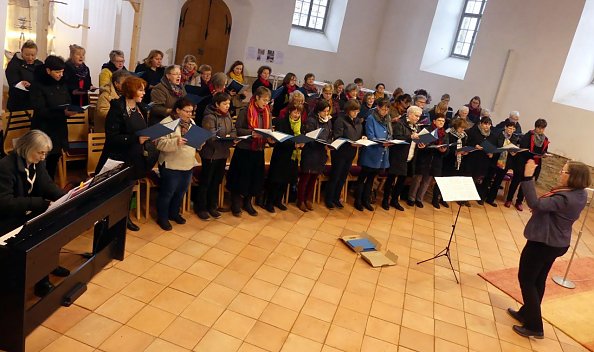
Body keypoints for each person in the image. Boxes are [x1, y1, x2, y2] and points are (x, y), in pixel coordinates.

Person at [508, 159, 590, 339]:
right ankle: (526, 313)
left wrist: (528, 176)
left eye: (564, 171)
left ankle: (535, 327)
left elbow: (535, 204)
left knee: (527, 280)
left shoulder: (564, 198)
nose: (561, 172)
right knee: (538, 280)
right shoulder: (580, 193)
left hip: (544, 243)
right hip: (558, 243)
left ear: (573, 177)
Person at [0, 130, 69, 297]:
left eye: (45, 153)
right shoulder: (5, 167)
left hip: (27, 210)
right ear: (27, 148)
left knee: (54, 226)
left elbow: (47, 185)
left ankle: (49, 265)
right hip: (8, 217)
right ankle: (41, 281)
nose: (43, 157)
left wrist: (65, 198)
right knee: (39, 235)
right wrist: (39, 203)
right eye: (40, 152)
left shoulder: (37, 163)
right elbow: (5, 203)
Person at [95, 76, 150, 231]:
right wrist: (135, 139)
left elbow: (141, 130)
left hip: (135, 157)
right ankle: (108, 219)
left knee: (128, 190)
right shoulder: (117, 108)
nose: (144, 93)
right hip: (118, 158)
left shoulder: (141, 108)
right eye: (140, 90)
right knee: (113, 192)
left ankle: (124, 218)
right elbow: (112, 138)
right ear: (131, 91)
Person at [227, 86, 274, 217]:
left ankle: (248, 203)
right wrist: (252, 133)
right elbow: (238, 129)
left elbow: (269, 129)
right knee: (241, 177)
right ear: (257, 97)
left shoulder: (267, 112)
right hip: (245, 149)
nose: (266, 103)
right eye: (264, 100)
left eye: (268, 101)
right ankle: (236, 203)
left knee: (254, 178)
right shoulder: (246, 110)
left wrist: (270, 137)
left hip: (258, 149)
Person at [29, 55, 76, 179]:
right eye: (57, 72)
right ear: (48, 70)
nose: (60, 74)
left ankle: (49, 186)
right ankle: (38, 190)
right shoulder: (38, 85)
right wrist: (62, 112)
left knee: (53, 160)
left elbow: (67, 99)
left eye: (62, 71)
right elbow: (40, 109)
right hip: (43, 128)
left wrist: (70, 109)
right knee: (40, 162)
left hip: (58, 129)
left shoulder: (62, 83)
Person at [155, 98, 198, 230]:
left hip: (187, 163)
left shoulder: (191, 122)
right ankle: (162, 217)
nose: (189, 114)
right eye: (187, 111)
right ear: (178, 110)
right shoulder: (166, 123)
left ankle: (174, 213)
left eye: (191, 112)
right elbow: (159, 143)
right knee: (168, 193)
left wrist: (200, 141)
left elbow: (194, 140)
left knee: (181, 192)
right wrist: (175, 142)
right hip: (171, 164)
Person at [196, 92, 237, 221]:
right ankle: (201, 208)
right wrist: (228, 139)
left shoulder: (228, 115)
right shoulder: (209, 117)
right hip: (211, 154)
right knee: (206, 181)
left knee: (216, 181)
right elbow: (211, 137)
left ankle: (212, 206)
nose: (227, 106)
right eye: (224, 104)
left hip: (223, 153)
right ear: (217, 104)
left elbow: (233, 130)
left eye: (228, 103)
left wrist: (232, 138)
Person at [264, 103, 304, 213]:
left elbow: (301, 137)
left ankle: (278, 201)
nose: (297, 115)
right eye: (295, 112)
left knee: (285, 180)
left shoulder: (300, 124)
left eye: (299, 113)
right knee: (276, 180)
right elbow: (280, 140)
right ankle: (269, 202)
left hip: (292, 157)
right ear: (290, 111)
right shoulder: (281, 122)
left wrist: (302, 143)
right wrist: (294, 144)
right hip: (281, 155)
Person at [325, 99, 364, 209]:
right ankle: (329, 199)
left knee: (343, 177)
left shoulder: (358, 121)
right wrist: (349, 142)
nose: (356, 113)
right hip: (340, 152)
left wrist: (362, 138)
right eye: (354, 111)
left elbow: (358, 134)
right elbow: (338, 136)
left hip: (351, 153)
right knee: (335, 176)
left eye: (357, 111)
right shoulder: (340, 120)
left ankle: (336, 198)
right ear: (348, 110)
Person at [382, 105, 422, 211]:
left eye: (419, 116)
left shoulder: (417, 127)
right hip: (398, 156)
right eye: (416, 116)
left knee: (402, 180)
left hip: (410, 156)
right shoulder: (400, 123)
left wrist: (421, 143)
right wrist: (410, 137)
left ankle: (394, 200)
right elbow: (396, 137)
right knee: (391, 179)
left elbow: (416, 140)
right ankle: (385, 200)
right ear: (409, 114)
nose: (418, 118)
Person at [355, 97, 392, 211]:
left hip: (382, 153)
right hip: (371, 152)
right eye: (383, 109)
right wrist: (382, 142)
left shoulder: (387, 119)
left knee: (371, 179)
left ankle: (366, 200)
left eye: (387, 110)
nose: (385, 112)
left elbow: (390, 134)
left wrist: (389, 140)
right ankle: (358, 201)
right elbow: (370, 135)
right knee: (363, 177)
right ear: (378, 108)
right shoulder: (371, 118)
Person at [296, 100, 333, 212]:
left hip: (321, 153)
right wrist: (319, 142)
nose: (326, 114)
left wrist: (329, 143)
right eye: (324, 111)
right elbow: (309, 137)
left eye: (327, 111)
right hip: (310, 152)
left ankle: (308, 199)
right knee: (305, 177)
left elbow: (330, 134)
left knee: (314, 178)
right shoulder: (311, 120)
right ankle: (301, 200)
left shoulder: (328, 121)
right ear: (318, 111)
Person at [505, 118, 549, 211]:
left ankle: (519, 201)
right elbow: (523, 148)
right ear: (535, 127)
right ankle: (509, 199)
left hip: (534, 163)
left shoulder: (545, 139)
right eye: (539, 128)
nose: (541, 130)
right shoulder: (528, 135)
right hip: (522, 161)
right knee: (516, 181)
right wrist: (531, 154)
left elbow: (544, 150)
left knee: (526, 183)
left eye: (543, 128)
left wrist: (544, 154)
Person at [408, 114, 448, 208]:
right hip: (424, 158)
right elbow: (419, 144)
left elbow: (446, 148)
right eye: (439, 120)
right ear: (434, 121)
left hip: (435, 161)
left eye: (443, 121)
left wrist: (444, 150)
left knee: (426, 181)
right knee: (417, 179)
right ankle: (411, 198)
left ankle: (419, 199)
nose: (441, 123)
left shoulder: (444, 134)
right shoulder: (427, 130)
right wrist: (423, 146)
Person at [481, 120, 520, 206]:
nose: (511, 130)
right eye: (510, 128)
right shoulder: (497, 135)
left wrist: (514, 152)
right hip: (495, 160)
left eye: (513, 129)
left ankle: (490, 199)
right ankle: (481, 197)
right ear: (505, 127)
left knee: (498, 181)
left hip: (505, 162)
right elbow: (491, 146)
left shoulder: (514, 138)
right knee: (488, 178)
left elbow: (513, 150)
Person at [5, 40, 43, 111]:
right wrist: (22, 83)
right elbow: (12, 81)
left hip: (36, 101)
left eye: (33, 55)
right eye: (27, 55)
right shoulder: (14, 64)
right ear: (22, 52)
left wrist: (33, 85)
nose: (30, 58)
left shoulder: (39, 64)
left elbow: (42, 80)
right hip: (18, 101)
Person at [465, 116, 494, 205]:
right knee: (468, 179)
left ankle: (467, 198)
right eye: (485, 124)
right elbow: (467, 142)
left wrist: (491, 152)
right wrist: (475, 145)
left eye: (489, 124)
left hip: (482, 160)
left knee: (475, 179)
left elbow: (492, 146)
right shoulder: (473, 131)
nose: (487, 126)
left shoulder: (491, 135)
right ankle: (462, 198)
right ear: (481, 124)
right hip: (472, 158)